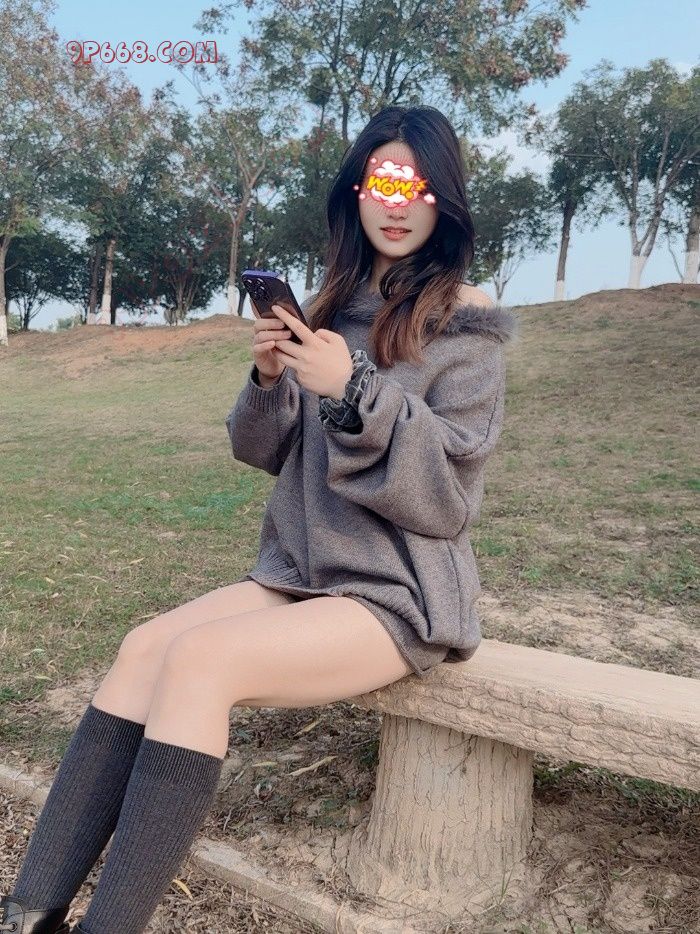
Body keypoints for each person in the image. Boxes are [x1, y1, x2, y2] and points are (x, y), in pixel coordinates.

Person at [1, 104, 518, 934]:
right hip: (301, 572)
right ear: (354, 195)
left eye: (416, 187)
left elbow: (447, 501)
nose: (396, 205)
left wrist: (356, 390)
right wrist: (271, 376)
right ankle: (28, 914)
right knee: (143, 648)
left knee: (201, 661)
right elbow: (264, 451)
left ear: (445, 201)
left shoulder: (467, 332)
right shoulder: (330, 312)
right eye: (381, 184)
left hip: (397, 594)